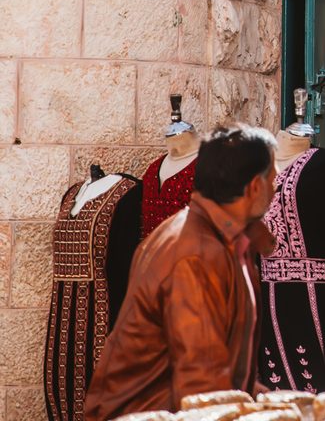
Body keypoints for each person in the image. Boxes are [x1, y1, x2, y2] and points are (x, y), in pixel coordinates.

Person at [84, 125, 278, 421]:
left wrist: (269, 401)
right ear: (254, 187)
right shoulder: (195, 256)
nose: (276, 188)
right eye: (273, 179)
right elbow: (201, 385)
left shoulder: (223, 240)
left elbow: (219, 373)